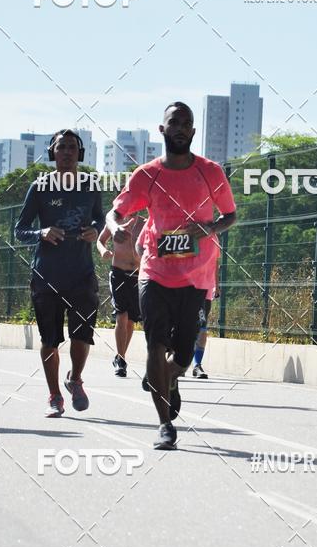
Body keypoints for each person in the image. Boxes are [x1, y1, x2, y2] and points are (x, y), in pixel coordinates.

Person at [106, 102, 236, 450]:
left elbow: (230, 215)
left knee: (181, 353)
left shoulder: (211, 172)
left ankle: (167, 376)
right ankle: (165, 425)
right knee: (155, 343)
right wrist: (116, 226)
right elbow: (115, 212)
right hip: (155, 273)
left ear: (193, 132)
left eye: (186, 124)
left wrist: (208, 228)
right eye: (173, 122)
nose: (180, 128)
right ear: (162, 130)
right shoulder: (146, 175)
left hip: (196, 277)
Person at [15, 129, 104, 417]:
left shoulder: (91, 186)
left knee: (82, 336)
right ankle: (54, 395)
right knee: (50, 340)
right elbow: (19, 231)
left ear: (80, 153)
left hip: (82, 274)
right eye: (61, 147)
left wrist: (97, 231)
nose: (66, 152)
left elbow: (102, 220)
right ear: (52, 153)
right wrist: (41, 232)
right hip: (46, 276)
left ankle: (75, 379)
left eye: (71, 147)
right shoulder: (39, 187)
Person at [96, 214, 145, 377]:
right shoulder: (114, 221)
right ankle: (121, 360)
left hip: (138, 275)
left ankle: (120, 356)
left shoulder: (145, 223)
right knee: (122, 316)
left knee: (131, 321)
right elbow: (100, 240)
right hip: (118, 273)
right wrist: (103, 251)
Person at [191, 256, 220, 379]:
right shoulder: (190, 236)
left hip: (205, 291)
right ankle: (178, 360)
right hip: (186, 287)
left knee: (202, 328)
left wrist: (217, 286)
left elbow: (215, 264)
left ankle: (197, 365)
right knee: (185, 327)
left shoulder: (214, 239)